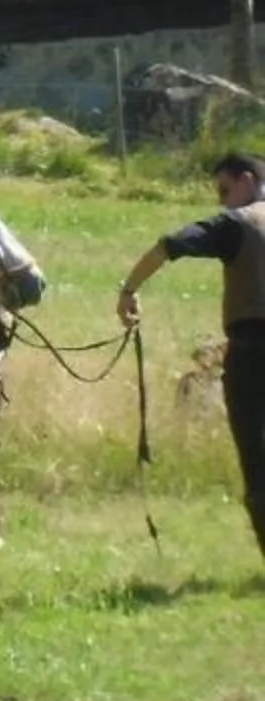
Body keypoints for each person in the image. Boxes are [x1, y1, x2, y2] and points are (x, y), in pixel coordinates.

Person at [117, 148, 265, 562]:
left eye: (224, 190)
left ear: (248, 181)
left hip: (253, 355)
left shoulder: (238, 224)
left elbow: (169, 245)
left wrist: (129, 290)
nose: (222, 201)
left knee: (258, 466)